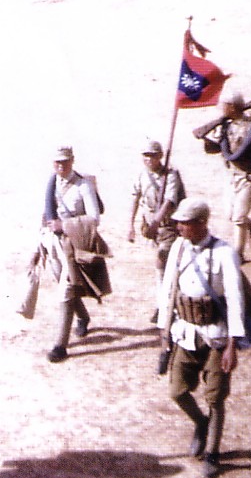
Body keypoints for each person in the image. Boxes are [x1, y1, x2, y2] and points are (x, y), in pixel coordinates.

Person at [157, 198, 246, 478]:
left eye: (185, 222)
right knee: (177, 391)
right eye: (178, 222)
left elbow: (235, 299)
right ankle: (201, 424)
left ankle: (212, 453)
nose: (179, 227)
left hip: (216, 337)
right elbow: (168, 289)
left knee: (216, 398)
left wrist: (233, 345)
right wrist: (163, 332)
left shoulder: (224, 253)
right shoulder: (178, 248)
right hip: (185, 333)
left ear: (201, 223)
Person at [41, 145, 111, 363]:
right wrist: (39, 245)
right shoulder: (52, 183)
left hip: (74, 243)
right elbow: (46, 214)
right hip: (53, 243)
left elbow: (94, 218)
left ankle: (60, 345)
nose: (60, 166)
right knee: (63, 282)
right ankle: (83, 317)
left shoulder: (83, 185)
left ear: (72, 161)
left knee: (67, 290)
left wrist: (65, 225)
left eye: (64, 161)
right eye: (57, 162)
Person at [205, 89, 251, 263]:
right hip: (230, 174)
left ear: (232, 107)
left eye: (224, 105)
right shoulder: (224, 125)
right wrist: (207, 137)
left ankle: (238, 254)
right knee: (231, 214)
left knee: (238, 218)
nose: (221, 108)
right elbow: (213, 149)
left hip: (248, 177)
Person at [128, 139, 185, 321]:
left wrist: (156, 222)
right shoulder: (141, 175)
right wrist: (131, 225)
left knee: (162, 263)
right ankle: (167, 302)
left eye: (153, 155)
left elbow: (169, 201)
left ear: (160, 156)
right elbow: (135, 198)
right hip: (151, 228)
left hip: (168, 227)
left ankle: (165, 306)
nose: (149, 159)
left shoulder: (171, 175)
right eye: (146, 155)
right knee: (164, 265)